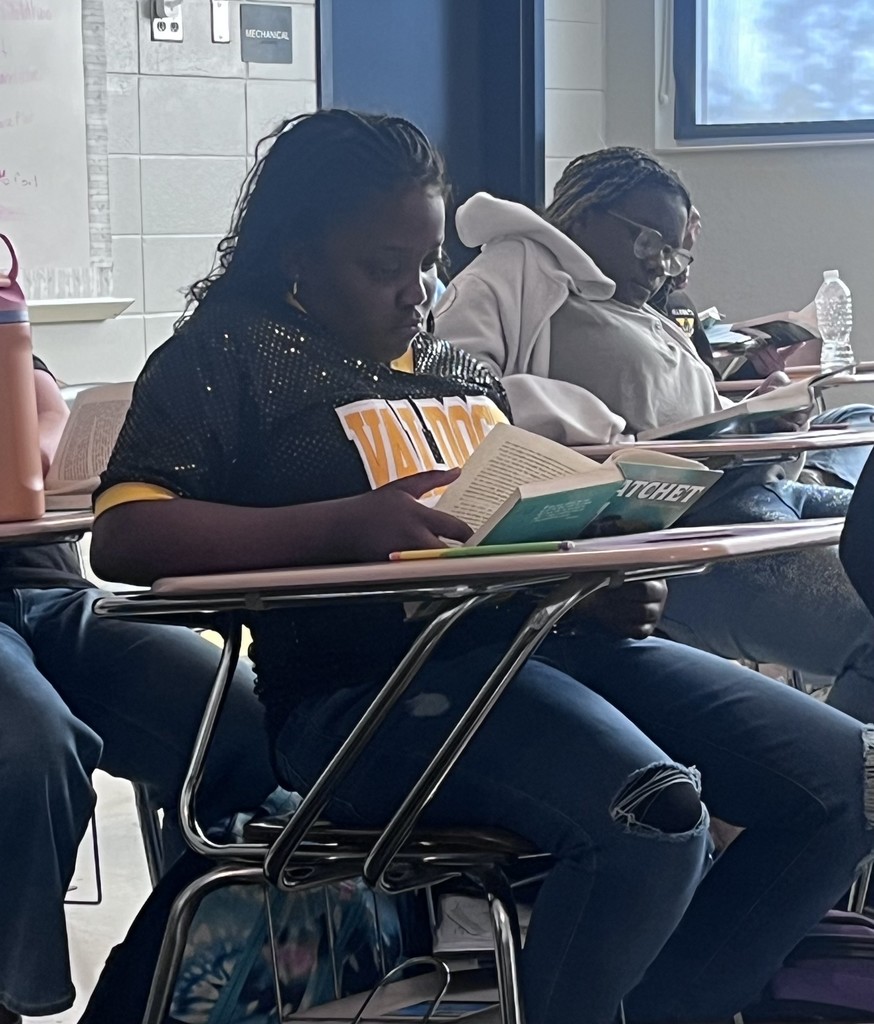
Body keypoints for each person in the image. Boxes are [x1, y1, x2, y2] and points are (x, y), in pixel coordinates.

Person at [89, 109, 874, 1024]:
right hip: (369, 694)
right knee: (650, 813)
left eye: (429, 263)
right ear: (297, 253)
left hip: (546, 647)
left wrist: (595, 575)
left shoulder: (455, 369)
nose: (416, 292)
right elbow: (127, 536)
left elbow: (499, 526)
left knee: (840, 782)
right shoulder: (228, 354)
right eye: (384, 266)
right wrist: (343, 523)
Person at [434, 147, 874, 721]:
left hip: (750, 488)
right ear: (584, 216)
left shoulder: (641, 310)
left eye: (673, 252)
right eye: (648, 243)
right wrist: (609, 431)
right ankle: (839, 773)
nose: (661, 266)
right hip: (676, 529)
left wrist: (762, 412)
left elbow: (687, 415)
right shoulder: (514, 272)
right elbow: (456, 398)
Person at [0, 357, 278, 1024]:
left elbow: (44, 418)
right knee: (32, 748)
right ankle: (11, 999)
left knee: (254, 725)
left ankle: (166, 981)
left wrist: (30, 456)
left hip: (53, 592)